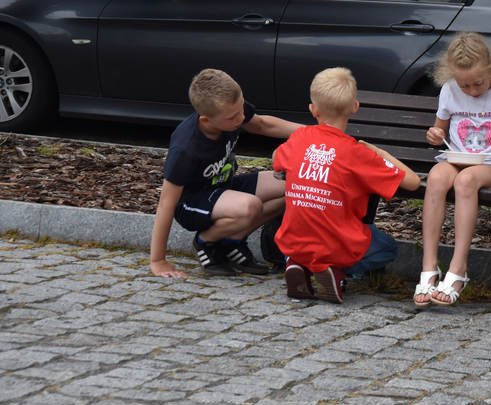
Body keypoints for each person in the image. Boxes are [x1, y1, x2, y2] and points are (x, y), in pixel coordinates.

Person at [272, 67, 420, 303]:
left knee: (313, 238)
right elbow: (412, 182)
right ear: (354, 108)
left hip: (293, 241)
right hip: (338, 242)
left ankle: (297, 263)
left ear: (313, 110)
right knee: (388, 247)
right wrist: (379, 152)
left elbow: (276, 161)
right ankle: (336, 271)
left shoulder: (299, 138)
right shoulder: (358, 153)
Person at [414, 33, 491, 307]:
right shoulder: (449, 89)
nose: (472, 90)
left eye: (478, 83)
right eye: (464, 85)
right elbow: (440, 129)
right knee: (436, 177)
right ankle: (429, 267)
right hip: (456, 159)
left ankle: (458, 269)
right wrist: (434, 134)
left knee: (466, 180)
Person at [149, 69, 303, 278]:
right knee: (250, 206)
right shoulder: (186, 148)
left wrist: (313, 133)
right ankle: (205, 241)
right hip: (191, 204)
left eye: (241, 109)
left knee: (295, 186)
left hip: (222, 188)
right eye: (233, 117)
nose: (241, 118)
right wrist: (158, 261)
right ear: (206, 120)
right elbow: (165, 204)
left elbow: (261, 124)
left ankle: (232, 242)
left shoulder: (232, 110)